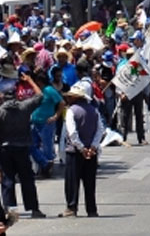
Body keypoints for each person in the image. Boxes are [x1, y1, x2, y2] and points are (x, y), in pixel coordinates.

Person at [0, 74, 46, 219]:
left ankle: (10, 209)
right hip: (22, 148)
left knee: (7, 179)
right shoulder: (24, 107)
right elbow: (40, 96)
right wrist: (31, 80)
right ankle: (34, 209)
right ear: (16, 96)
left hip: (5, 149)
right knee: (27, 179)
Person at [59, 85, 103, 218]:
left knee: (72, 182)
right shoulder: (95, 111)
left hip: (75, 152)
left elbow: (72, 133)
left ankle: (72, 207)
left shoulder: (72, 111)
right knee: (90, 182)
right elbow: (99, 130)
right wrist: (93, 147)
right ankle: (92, 209)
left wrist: (81, 148)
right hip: (91, 151)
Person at [29, 71, 62, 178]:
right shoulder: (37, 91)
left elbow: (61, 103)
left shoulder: (49, 90)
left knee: (47, 147)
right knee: (31, 145)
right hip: (35, 122)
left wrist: (55, 116)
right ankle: (44, 164)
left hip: (46, 123)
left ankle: (47, 169)